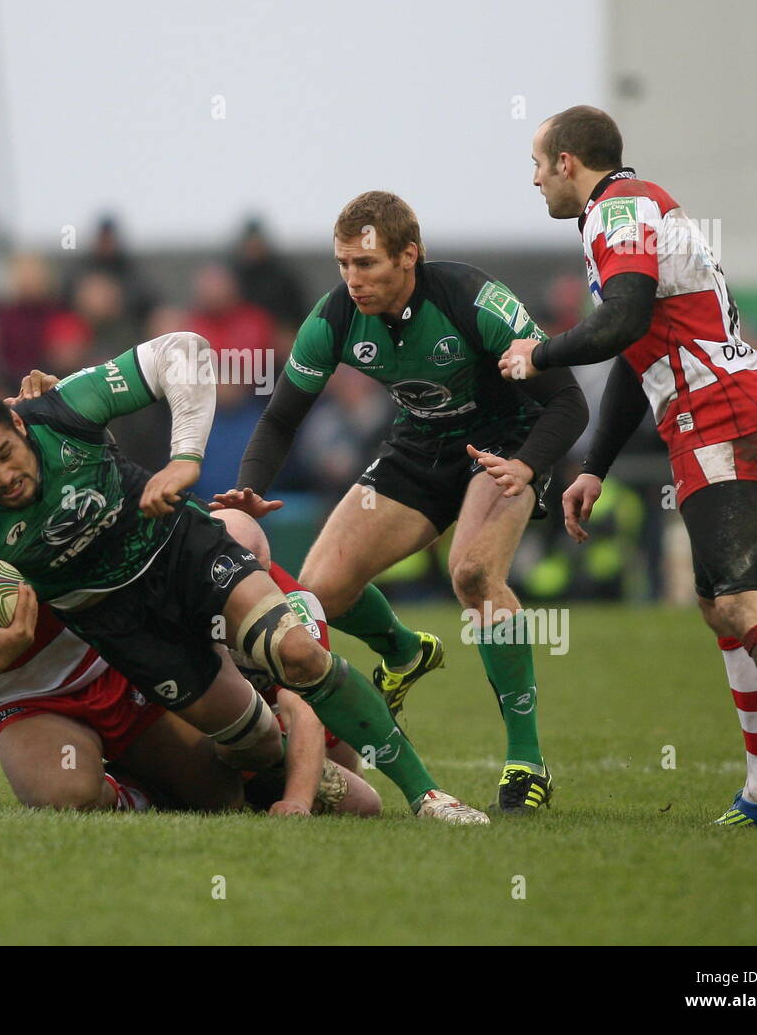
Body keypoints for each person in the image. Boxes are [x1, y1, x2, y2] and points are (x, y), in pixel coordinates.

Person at [0, 332, 490, 823]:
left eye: (6, 458)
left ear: (19, 426)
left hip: (179, 552)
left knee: (298, 652)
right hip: (119, 624)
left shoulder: (62, 409)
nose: (3, 480)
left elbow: (183, 351)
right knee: (247, 746)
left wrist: (185, 457)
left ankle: (430, 797)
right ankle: (286, 766)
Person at [502, 104, 757, 830]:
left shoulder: (618, 211)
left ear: (569, 162)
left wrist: (537, 353)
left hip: (721, 412)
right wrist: (596, 467)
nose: (535, 179)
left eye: (538, 164)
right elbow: (640, 355)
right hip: (713, 410)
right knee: (720, 604)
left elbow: (623, 320)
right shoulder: (626, 211)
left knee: (742, 598)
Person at [217, 192, 589, 813]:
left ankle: (526, 761)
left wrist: (525, 467)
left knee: (472, 573)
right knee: (319, 592)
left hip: (507, 444)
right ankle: (405, 651)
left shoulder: (473, 300)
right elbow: (281, 417)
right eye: (343, 264)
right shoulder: (334, 317)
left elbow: (568, 402)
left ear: (410, 255)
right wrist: (252, 484)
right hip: (421, 446)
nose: (352, 280)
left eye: (366, 265)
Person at [0, 413, 241, 812]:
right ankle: (135, 795)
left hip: (114, 665)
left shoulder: (16, 499)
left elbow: (94, 463)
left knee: (222, 797)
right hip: (24, 703)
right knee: (66, 796)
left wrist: (57, 411)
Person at [213, 508, 381, 818]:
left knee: (364, 804)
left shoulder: (296, 604)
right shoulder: (183, 584)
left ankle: (270, 776)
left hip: (273, 720)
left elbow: (304, 704)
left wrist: (297, 801)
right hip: (213, 714)